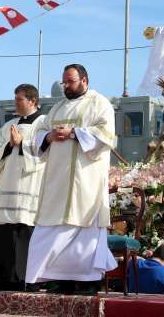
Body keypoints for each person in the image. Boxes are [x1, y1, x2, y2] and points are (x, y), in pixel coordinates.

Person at [25, 64, 116, 294]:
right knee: (48, 228)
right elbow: (37, 135)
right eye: (64, 82)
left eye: (71, 82)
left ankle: (87, 281)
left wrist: (74, 133)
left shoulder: (100, 103)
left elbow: (106, 135)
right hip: (57, 181)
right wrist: (49, 135)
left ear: (84, 80)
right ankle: (54, 279)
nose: (66, 86)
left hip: (86, 182)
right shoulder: (56, 109)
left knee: (84, 232)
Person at [0, 83, 46, 291]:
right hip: (9, 181)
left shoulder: (43, 123)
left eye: (19, 99)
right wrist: (9, 145)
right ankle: (4, 279)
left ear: (32, 101)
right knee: (6, 230)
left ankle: (25, 279)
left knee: (25, 229)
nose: (15, 103)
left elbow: (46, 150)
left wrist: (22, 143)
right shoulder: (10, 123)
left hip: (30, 183)